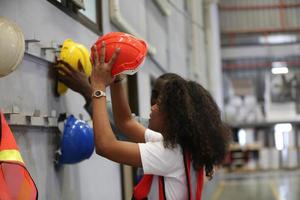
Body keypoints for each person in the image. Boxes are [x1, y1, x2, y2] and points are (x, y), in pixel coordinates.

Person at [89, 42, 231, 199]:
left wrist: (98, 87)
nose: (153, 107)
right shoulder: (177, 147)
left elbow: (105, 146)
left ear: (175, 118)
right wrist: (116, 78)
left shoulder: (170, 155)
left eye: (160, 105)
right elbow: (125, 122)